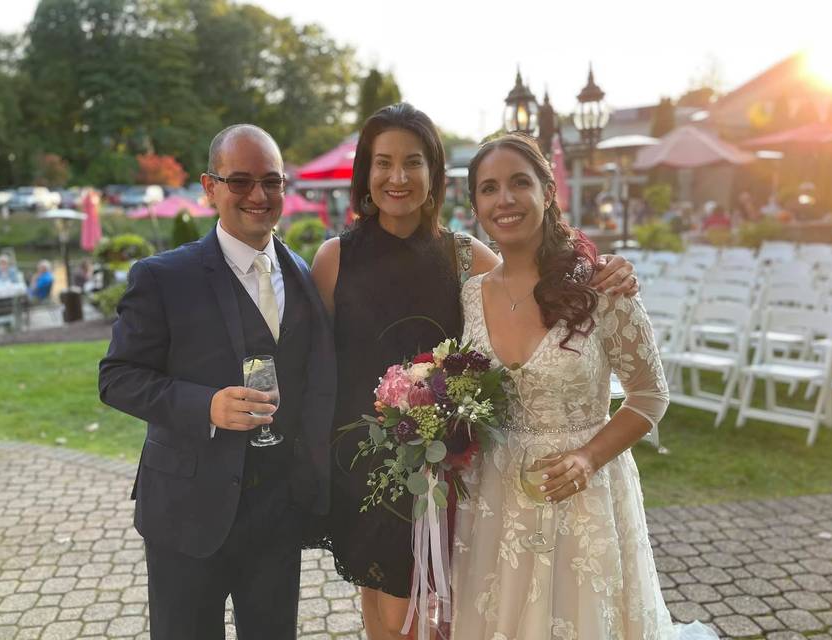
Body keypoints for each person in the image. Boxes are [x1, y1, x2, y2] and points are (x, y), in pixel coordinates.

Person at [309, 104, 639, 640]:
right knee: (382, 618)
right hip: (363, 472)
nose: (398, 177)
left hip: (442, 474)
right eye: (383, 163)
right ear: (365, 173)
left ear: (435, 173)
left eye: (413, 162)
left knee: (424, 621)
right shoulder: (333, 259)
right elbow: (314, 368)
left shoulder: (466, 258)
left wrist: (602, 270)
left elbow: (535, 271)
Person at [451, 133, 717, 639]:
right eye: (488, 189)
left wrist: (589, 457)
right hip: (494, 500)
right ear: (476, 207)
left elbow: (650, 393)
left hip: (582, 499)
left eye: (519, 183)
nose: (504, 199)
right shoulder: (469, 295)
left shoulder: (601, 287)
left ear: (548, 192)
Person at [98, 124, 336, 640]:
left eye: (271, 181)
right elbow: (115, 377)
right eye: (240, 181)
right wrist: (205, 406)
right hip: (186, 514)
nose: (258, 195)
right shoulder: (163, 277)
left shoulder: (300, 272)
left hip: (276, 516)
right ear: (209, 188)